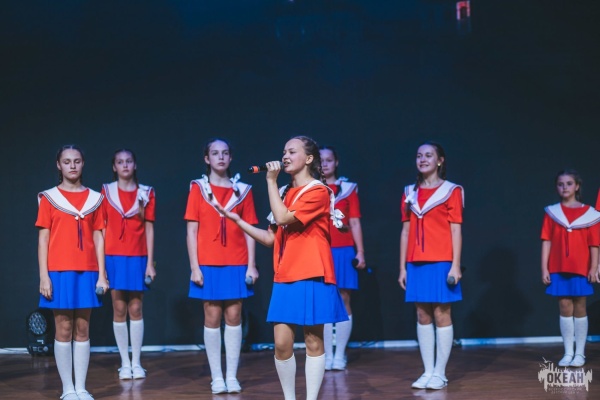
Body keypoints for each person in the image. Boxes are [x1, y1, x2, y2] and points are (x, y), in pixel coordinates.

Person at [217, 135, 348, 400]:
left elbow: (283, 217)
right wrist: (238, 221)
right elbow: (270, 238)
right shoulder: (285, 192)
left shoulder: (318, 192)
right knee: (281, 343)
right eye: (284, 152)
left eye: (292, 152)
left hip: (313, 272)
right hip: (286, 273)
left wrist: (270, 181)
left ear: (308, 159)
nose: (285, 156)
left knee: (313, 340)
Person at [185, 138, 259, 394]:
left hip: (237, 261)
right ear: (207, 159)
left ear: (230, 157)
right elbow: (191, 231)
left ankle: (232, 376)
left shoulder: (243, 190)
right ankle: (217, 377)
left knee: (234, 316)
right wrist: (195, 267)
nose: (220, 157)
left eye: (225, 153)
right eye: (215, 153)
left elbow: (250, 230)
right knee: (212, 316)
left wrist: (252, 265)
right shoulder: (198, 188)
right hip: (208, 262)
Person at [37, 145, 108, 400]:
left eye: (76, 161)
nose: (72, 166)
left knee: (83, 328)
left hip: (87, 270)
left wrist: (102, 274)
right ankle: (68, 388)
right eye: (67, 162)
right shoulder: (49, 198)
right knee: (63, 328)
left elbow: (99, 237)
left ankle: (81, 387)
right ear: (59, 165)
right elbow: (43, 239)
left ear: (83, 163)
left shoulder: (95, 199)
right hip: (59, 271)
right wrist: (44, 276)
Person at [398, 141, 464, 390]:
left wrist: (455, 265)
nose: (423, 159)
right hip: (416, 262)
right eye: (419, 155)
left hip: (442, 261)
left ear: (440, 160)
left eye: (428, 155)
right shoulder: (409, 192)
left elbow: (456, 230)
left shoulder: (451, 190)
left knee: (441, 313)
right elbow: (405, 231)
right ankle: (427, 371)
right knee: (422, 314)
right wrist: (403, 267)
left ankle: (440, 373)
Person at [101, 149, 156, 380]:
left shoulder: (146, 192)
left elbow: (149, 228)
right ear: (114, 167)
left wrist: (150, 263)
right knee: (119, 308)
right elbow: (102, 228)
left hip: (137, 256)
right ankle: (124, 362)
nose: (125, 165)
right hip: (113, 256)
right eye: (120, 162)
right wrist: (102, 266)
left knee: (135, 308)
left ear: (135, 165)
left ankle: (136, 362)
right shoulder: (106, 192)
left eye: (129, 161)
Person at [541, 169, 600, 367]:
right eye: (560, 184)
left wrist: (594, 267)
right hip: (558, 266)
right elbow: (547, 241)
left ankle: (580, 354)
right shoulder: (552, 213)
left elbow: (594, 243)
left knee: (580, 306)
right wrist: (544, 268)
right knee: (564, 306)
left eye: (569, 183)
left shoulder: (590, 214)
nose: (564, 187)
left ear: (577, 186)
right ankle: (568, 352)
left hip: (581, 267)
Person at [319, 145, 366, 371]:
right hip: (320, 250)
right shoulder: (311, 188)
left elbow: (354, 221)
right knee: (324, 301)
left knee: (343, 298)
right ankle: (327, 354)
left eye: (329, 160)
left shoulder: (347, 189)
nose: (325, 164)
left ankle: (340, 354)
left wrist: (360, 252)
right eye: (321, 160)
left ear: (336, 162)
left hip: (344, 249)